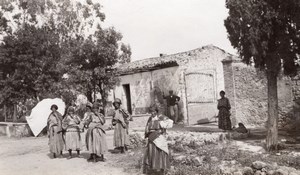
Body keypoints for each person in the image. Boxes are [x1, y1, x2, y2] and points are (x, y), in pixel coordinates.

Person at [143, 106, 173, 175]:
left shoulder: (161, 117)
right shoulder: (150, 118)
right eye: (151, 112)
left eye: (154, 111)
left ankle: (162, 170)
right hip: (151, 138)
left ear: (156, 111)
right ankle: (154, 169)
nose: (152, 113)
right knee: (152, 153)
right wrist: (147, 135)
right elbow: (147, 128)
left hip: (159, 138)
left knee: (160, 152)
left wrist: (162, 129)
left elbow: (170, 123)